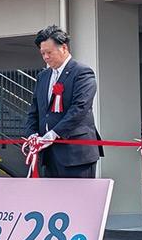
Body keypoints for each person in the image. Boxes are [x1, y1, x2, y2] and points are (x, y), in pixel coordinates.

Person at [24, 25, 103, 178]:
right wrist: (32, 133)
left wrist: (54, 134)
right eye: (42, 53)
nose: (46, 57)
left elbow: (80, 108)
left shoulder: (82, 72)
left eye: (49, 52)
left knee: (78, 194)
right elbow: (35, 110)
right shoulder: (43, 76)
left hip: (76, 153)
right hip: (49, 154)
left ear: (64, 48)